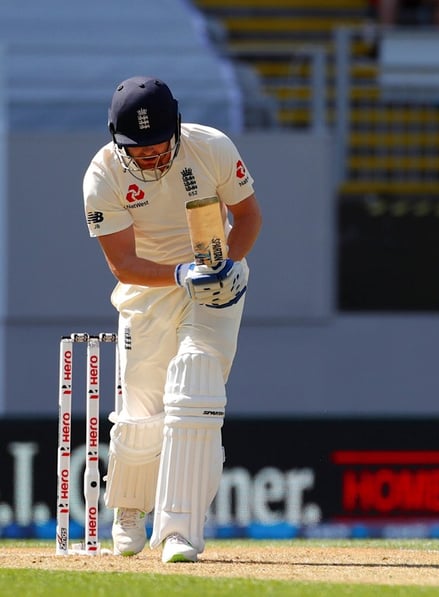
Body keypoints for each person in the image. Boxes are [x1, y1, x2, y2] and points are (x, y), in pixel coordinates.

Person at [82, 76, 263, 563]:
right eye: (140, 152)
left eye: (160, 148)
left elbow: (246, 219)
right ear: (119, 142)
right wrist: (182, 273)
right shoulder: (102, 175)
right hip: (149, 291)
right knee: (141, 413)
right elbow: (123, 264)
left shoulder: (211, 148)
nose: (153, 159)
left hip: (216, 280)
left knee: (195, 383)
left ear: (178, 130)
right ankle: (128, 509)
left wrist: (227, 263)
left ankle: (180, 531)